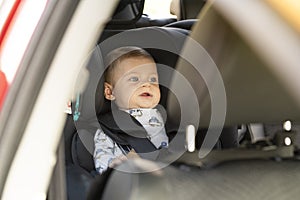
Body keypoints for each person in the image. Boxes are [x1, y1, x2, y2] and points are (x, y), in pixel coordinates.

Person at [93, 47, 169, 174]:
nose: (147, 84)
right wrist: (121, 166)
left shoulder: (164, 116)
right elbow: (102, 159)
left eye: (153, 79)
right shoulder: (108, 127)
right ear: (110, 92)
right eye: (134, 79)